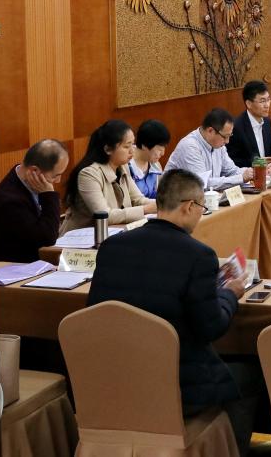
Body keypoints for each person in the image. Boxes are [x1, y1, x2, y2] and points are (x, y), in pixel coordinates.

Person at [87, 169, 258, 455]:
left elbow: (96, 312)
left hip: (112, 379)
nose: (201, 214)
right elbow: (211, 327)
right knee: (248, 375)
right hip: (174, 388)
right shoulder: (198, 255)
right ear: (189, 206)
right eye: (202, 208)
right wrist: (230, 294)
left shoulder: (112, 247)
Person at [60, 120, 156, 235]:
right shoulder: (88, 174)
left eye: (133, 144)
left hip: (113, 234)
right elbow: (105, 215)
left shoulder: (123, 166)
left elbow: (138, 200)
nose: (132, 150)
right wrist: (146, 209)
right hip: (81, 239)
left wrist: (164, 204)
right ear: (108, 149)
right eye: (126, 146)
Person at [0, 139, 69, 262]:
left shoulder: (27, 182)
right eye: (55, 175)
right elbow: (47, 238)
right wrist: (49, 195)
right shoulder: (10, 201)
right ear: (35, 171)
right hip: (16, 267)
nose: (58, 180)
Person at [165, 108, 271, 191]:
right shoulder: (190, 147)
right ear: (210, 131)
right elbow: (203, 184)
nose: (227, 141)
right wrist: (241, 178)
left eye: (230, 136)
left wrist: (257, 171)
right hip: (176, 202)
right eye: (225, 136)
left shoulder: (218, 145)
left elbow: (232, 171)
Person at [226, 80, 271, 168]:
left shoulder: (267, 122)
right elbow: (232, 161)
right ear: (249, 104)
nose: (267, 105)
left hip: (268, 172)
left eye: (268, 100)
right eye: (262, 101)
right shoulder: (236, 127)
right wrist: (259, 163)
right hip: (248, 173)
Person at [129, 119, 170, 198]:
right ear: (144, 145)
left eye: (164, 148)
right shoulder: (126, 166)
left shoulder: (156, 165)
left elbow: (160, 195)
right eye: (159, 149)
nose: (162, 153)